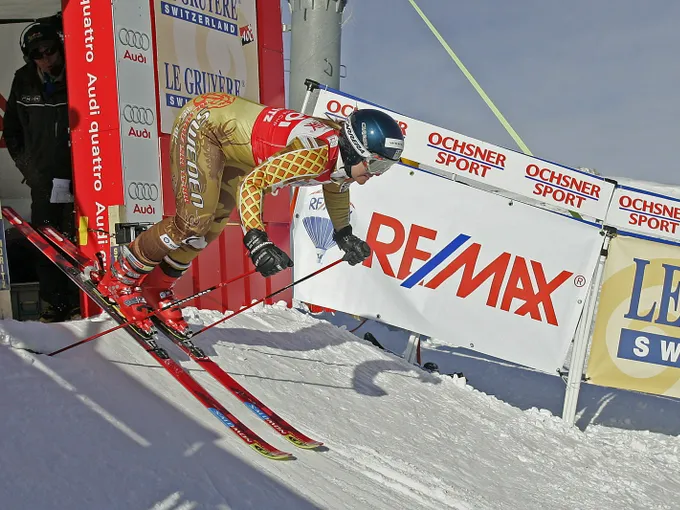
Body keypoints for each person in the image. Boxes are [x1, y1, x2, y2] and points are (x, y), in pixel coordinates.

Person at [94, 93, 405, 338]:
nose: (376, 174)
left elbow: (336, 185)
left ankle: (155, 286)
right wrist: (257, 240)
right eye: (376, 164)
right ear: (353, 150)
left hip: (235, 147)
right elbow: (254, 184)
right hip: (207, 126)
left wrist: (343, 233)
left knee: (209, 228)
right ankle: (119, 277)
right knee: (193, 220)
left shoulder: (341, 158)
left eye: (386, 168)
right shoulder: (314, 154)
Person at [3, 20, 80, 323]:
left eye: (50, 51)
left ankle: (78, 303)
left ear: (60, 48)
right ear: (29, 56)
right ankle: (53, 305)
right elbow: (11, 131)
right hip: (43, 180)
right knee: (45, 241)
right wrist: (29, 169)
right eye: (38, 54)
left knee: (78, 239)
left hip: (80, 178)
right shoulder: (23, 80)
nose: (46, 58)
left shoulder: (78, 75)